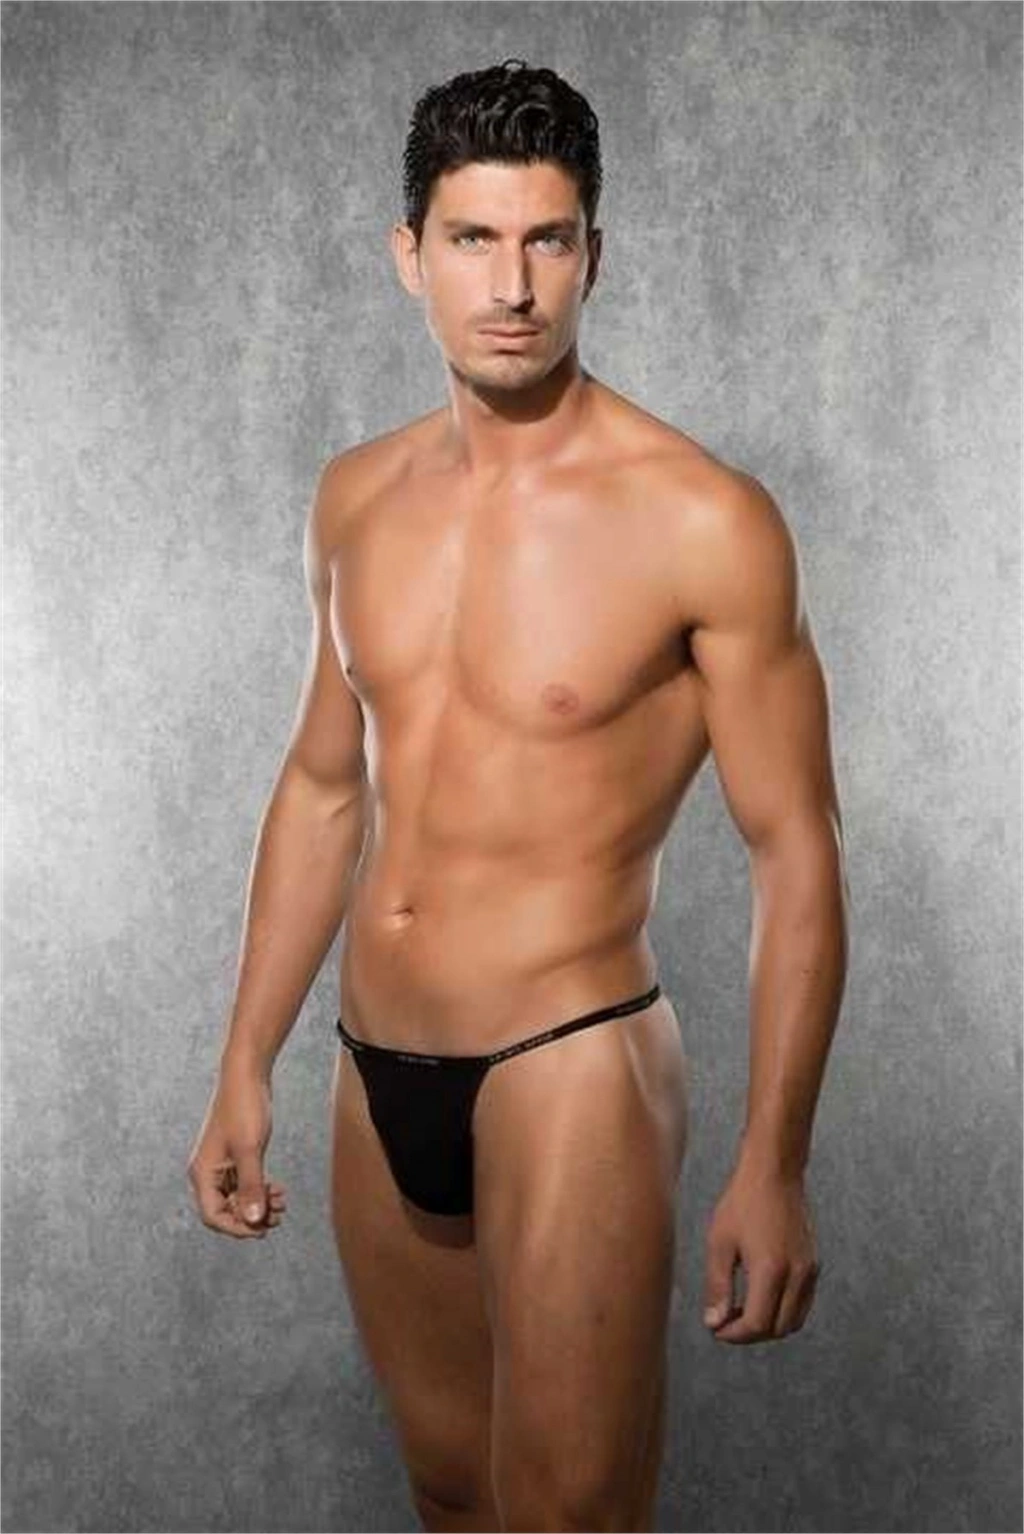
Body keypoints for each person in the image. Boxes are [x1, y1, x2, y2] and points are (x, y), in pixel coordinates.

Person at [187, 58, 850, 1534]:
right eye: (475, 240)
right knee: (451, 1492)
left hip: (570, 1057)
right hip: (374, 1061)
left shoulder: (701, 519)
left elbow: (795, 850)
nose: (512, 286)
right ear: (408, 254)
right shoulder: (355, 497)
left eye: (548, 239)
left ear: (593, 254)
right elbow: (322, 785)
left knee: (565, 1515)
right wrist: (245, 1056)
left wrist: (776, 1160)